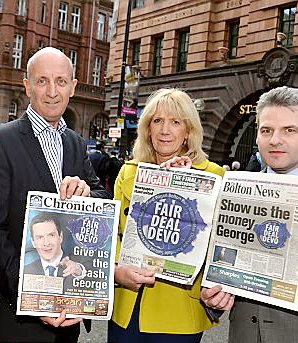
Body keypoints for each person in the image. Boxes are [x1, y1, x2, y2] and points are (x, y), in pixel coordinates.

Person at [201, 86, 298, 342]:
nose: (275, 140)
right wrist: (213, 298)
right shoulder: (235, 191)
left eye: (289, 130)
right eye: (266, 130)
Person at [0, 47, 108, 343]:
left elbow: (100, 197)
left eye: (61, 81)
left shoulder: (75, 142)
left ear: (72, 88)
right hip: (18, 320)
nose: (52, 91)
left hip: (68, 314)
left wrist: (88, 194)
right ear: (27, 85)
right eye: (42, 81)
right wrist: (32, 294)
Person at [110, 88, 224, 343]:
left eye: (175, 122)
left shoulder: (214, 176)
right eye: (157, 121)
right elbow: (113, 232)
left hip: (179, 312)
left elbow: (222, 240)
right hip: (126, 306)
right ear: (147, 128)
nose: (165, 130)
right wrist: (116, 271)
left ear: (188, 131)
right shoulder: (128, 172)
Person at [24, 213, 84, 279]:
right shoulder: (26, 270)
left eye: (51, 235)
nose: (46, 243)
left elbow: (90, 277)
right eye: (40, 237)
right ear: (33, 242)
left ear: (60, 237)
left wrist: (79, 271)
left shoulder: (78, 264)